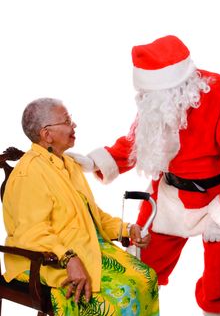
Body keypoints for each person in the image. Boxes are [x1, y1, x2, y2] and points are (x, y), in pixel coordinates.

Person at [70, 35, 220, 316]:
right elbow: (139, 141)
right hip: (169, 196)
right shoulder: (158, 101)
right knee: (141, 266)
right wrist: (96, 161)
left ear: (176, 84)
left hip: (217, 198)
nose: (145, 100)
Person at [2, 97, 159, 316]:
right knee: (118, 300)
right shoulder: (29, 174)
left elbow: (92, 215)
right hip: (48, 261)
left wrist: (127, 228)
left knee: (147, 278)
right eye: (66, 121)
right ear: (46, 134)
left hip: (87, 248)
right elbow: (30, 233)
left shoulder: (69, 164)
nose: (73, 125)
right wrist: (69, 259)